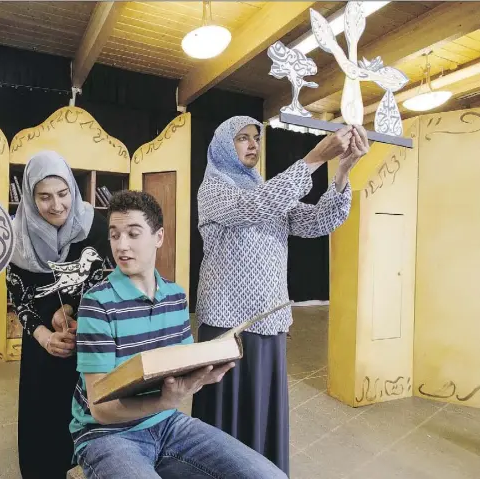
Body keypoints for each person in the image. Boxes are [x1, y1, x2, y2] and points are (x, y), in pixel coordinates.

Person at [192, 116, 369, 475]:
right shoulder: (213, 189)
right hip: (229, 326)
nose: (253, 144)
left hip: (269, 323)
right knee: (228, 425)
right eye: (242, 139)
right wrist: (315, 158)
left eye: (255, 138)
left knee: (261, 417)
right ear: (224, 146)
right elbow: (254, 206)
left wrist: (343, 171)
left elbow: (319, 221)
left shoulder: (268, 192)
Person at [70, 190, 287, 479]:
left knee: (269, 476)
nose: (122, 246)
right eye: (114, 235)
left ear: (158, 237)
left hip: (168, 424)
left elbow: (178, 365)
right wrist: (166, 401)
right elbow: (101, 410)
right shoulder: (96, 303)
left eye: (133, 234)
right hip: (107, 435)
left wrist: (201, 376)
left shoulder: (175, 296)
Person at [7, 150, 113, 479]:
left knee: (91, 416)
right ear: (28, 196)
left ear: (73, 189)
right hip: (42, 343)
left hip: (87, 337)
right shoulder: (16, 236)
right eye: (44, 197)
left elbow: (105, 279)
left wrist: (71, 310)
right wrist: (45, 335)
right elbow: (19, 296)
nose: (56, 206)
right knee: (43, 425)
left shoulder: (95, 225)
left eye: (63, 194)